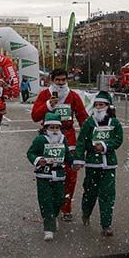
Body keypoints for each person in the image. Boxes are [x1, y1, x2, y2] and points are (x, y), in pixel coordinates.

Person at [31, 68, 88, 221]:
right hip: (48, 140)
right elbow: (35, 116)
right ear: (52, 80)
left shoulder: (73, 96)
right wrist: (48, 105)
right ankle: (50, 207)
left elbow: (83, 117)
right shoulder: (44, 95)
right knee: (48, 175)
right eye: (58, 80)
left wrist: (88, 137)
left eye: (64, 80)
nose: (61, 83)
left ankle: (66, 207)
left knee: (70, 176)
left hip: (68, 139)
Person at [77, 91, 123, 236]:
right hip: (92, 164)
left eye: (101, 105)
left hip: (109, 164)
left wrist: (105, 145)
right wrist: (78, 159)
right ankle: (86, 213)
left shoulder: (114, 123)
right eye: (96, 105)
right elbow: (81, 142)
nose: (98, 107)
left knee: (107, 195)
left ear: (108, 106)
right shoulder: (89, 122)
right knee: (90, 192)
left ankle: (106, 225)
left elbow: (118, 139)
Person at [27, 113, 74, 241]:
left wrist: (74, 162)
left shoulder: (62, 139)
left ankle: (52, 217)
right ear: (45, 128)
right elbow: (30, 153)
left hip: (59, 175)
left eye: (56, 128)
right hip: (43, 175)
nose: (54, 131)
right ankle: (49, 228)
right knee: (46, 201)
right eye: (51, 128)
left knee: (59, 200)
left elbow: (67, 155)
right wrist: (37, 159)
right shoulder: (40, 140)